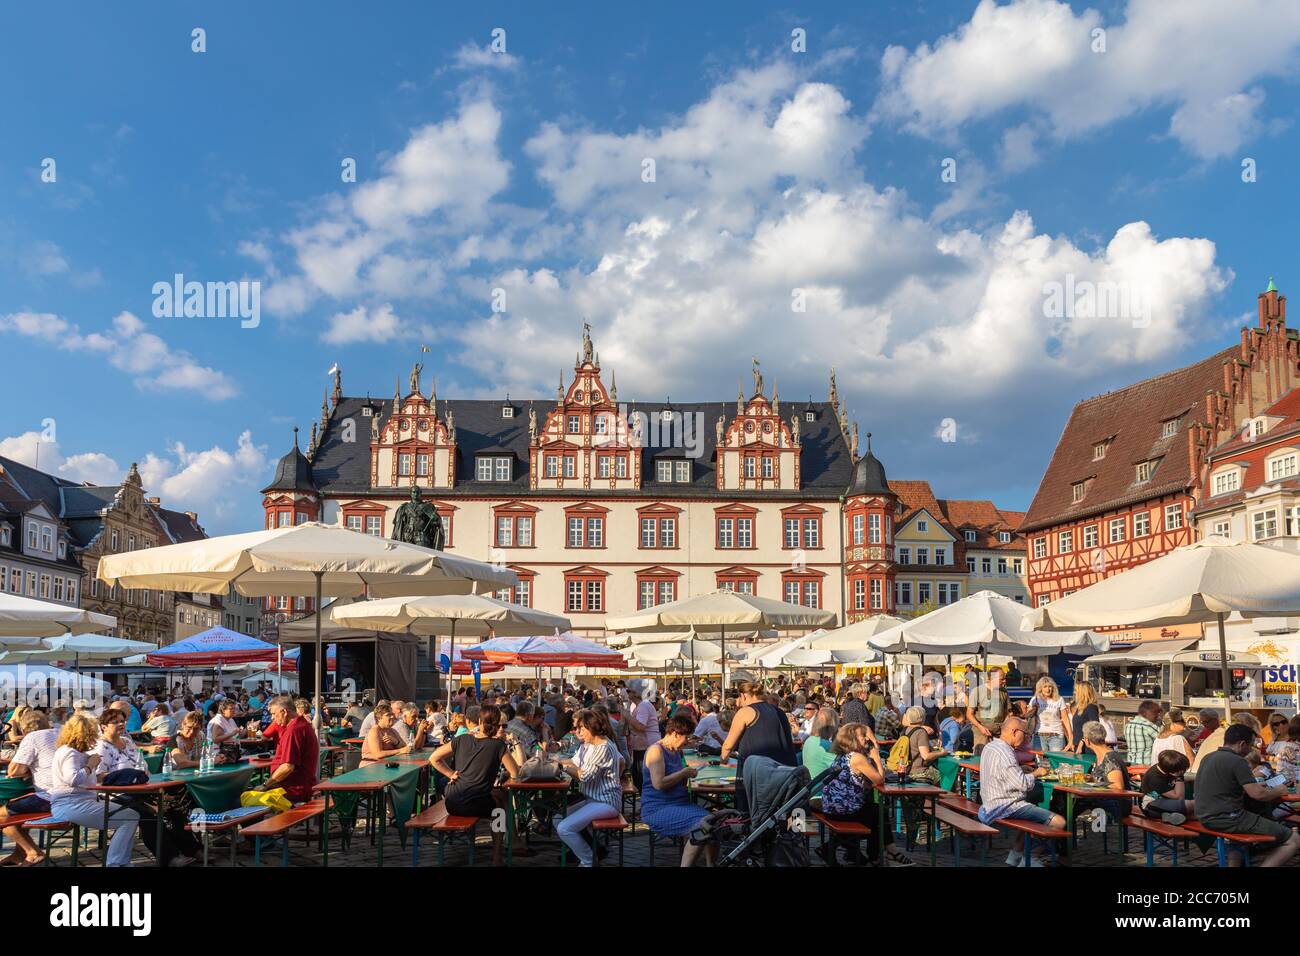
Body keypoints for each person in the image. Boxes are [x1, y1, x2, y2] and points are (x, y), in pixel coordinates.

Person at [95, 707, 199, 867]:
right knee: (147, 813)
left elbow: (142, 766)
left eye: (122, 721)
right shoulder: (101, 747)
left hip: (142, 788)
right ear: (103, 726)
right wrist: (126, 778)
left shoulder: (128, 742)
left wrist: (155, 787)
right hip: (116, 793)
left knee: (176, 804)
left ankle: (190, 849)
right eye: (115, 722)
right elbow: (100, 777)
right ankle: (169, 858)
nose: (120, 724)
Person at [1193, 723, 1300, 867]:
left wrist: (1255, 786)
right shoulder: (1237, 761)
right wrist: (1279, 791)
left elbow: (1225, 787)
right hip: (1229, 818)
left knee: (1242, 829)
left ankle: (1237, 862)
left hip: (1204, 816)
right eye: (1250, 745)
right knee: (1293, 839)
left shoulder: (1209, 757)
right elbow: (1258, 795)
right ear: (1242, 744)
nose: (1250, 749)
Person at [430, 703, 518, 866]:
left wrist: (450, 773)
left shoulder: (462, 739)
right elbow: (515, 773)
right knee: (499, 809)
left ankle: (510, 844)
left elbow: (434, 758)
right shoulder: (498, 745)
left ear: (479, 721)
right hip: (474, 803)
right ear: (498, 724)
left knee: (497, 796)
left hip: (452, 801)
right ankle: (497, 855)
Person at [50, 714, 140, 866]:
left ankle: (121, 862)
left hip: (78, 802)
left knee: (131, 815)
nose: (95, 738)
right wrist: (90, 765)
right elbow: (72, 779)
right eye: (92, 734)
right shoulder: (69, 752)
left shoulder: (74, 752)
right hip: (71, 804)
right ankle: (115, 862)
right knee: (129, 817)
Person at [818, 722, 911, 865]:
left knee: (875, 811)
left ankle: (878, 855)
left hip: (831, 806)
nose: (866, 739)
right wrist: (876, 757)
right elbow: (880, 780)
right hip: (842, 810)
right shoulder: (857, 758)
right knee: (879, 814)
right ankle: (884, 854)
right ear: (853, 738)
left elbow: (858, 780)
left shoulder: (843, 755)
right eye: (863, 736)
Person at [977, 716, 1063, 866]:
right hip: (1004, 806)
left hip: (989, 803)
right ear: (1015, 732)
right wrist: (1037, 773)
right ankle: (1031, 858)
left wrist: (1023, 772)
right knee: (1058, 822)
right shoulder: (1006, 752)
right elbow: (1021, 784)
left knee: (1030, 815)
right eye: (1025, 733)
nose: (1025, 738)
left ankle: (1015, 855)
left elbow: (1007, 777)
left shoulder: (990, 746)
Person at [640, 713, 715, 866]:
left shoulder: (676, 751)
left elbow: (677, 779)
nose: (687, 742)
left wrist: (688, 775)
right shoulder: (656, 751)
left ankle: (711, 864)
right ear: (674, 733)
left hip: (679, 804)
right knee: (701, 827)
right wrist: (683, 773)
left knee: (714, 823)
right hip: (658, 808)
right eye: (686, 737)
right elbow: (658, 784)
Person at [555, 708, 623, 867]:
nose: (578, 732)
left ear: (592, 728)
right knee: (558, 818)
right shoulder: (593, 744)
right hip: (593, 800)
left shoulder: (603, 747)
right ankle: (590, 852)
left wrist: (561, 767)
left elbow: (584, 776)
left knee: (565, 828)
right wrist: (556, 762)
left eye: (582, 728)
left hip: (606, 803)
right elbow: (576, 764)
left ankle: (588, 861)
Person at [720, 680, 797, 812]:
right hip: (784, 772)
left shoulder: (745, 712)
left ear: (744, 695)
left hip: (758, 775)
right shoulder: (778, 711)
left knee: (752, 812)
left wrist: (723, 760)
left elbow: (728, 745)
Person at [0, 710, 58, 866]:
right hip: (72, 795)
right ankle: (19, 854)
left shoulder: (32, 737)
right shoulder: (59, 732)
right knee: (15, 807)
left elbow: (14, 771)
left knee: (2, 815)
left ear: (24, 730)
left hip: (50, 797)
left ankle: (33, 852)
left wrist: (26, 768)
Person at [1056, 720, 1134, 831]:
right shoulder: (1101, 755)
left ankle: (1061, 838)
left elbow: (1117, 787)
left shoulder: (1110, 758)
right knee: (1063, 800)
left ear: (1087, 741)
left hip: (1118, 804)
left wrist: (1095, 783)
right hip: (1106, 800)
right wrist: (1092, 779)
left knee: (1068, 805)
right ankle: (1062, 836)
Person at [253, 695, 320, 805]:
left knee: (249, 799)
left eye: (274, 714)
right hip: (298, 785)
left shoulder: (294, 730)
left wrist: (265, 785)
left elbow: (287, 767)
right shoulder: (301, 724)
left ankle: (270, 822)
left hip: (293, 788)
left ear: (284, 712)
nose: (272, 718)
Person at [625, 678, 661, 790]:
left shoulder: (643, 705)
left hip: (646, 747)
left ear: (635, 693)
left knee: (642, 778)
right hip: (642, 746)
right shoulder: (640, 705)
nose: (627, 693)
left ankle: (647, 803)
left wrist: (626, 715)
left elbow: (641, 726)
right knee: (638, 776)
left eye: (628, 691)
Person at [1139, 750, 1193, 823]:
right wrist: (1180, 777)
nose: (1184, 772)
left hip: (1163, 803)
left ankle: (1168, 816)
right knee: (1193, 805)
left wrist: (1197, 777)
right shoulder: (1155, 778)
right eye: (1182, 770)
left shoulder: (1164, 767)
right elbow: (1179, 797)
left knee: (1195, 813)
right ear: (1172, 771)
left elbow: (1175, 780)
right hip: (1150, 806)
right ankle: (1168, 815)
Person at [1026, 676, 1072, 752]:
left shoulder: (1059, 699)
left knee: (1055, 761)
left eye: (1050, 687)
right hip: (1039, 736)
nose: (1048, 689)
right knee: (1040, 762)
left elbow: (1065, 719)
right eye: (1045, 687)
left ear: (1053, 688)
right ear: (1040, 688)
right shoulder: (1035, 699)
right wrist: (1033, 708)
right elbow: (1028, 716)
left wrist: (1070, 737)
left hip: (1056, 736)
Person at [966, 668, 1009, 747]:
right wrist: (980, 727)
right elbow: (969, 714)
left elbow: (1007, 713)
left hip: (999, 735)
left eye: (1005, 678)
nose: (1004, 681)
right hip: (981, 734)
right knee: (981, 757)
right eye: (1002, 679)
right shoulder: (977, 691)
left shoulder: (1004, 692)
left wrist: (1004, 727)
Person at [900, 706, 943, 784]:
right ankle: (935, 795)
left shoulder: (905, 730)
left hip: (905, 769)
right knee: (942, 775)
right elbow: (925, 756)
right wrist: (942, 753)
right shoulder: (921, 732)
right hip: (918, 771)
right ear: (922, 718)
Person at [801, 707, 839, 777]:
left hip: (809, 783)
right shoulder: (825, 745)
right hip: (821, 785)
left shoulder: (809, 739)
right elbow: (842, 767)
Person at [1123, 700, 1162, 766]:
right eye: (1155, 712)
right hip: (1146, 764)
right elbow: (1165, 739)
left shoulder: (1128, 725)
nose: (1157, 715)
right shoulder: (1148, 725)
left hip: (1131, 762)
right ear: (1145, 712)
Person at [1069, 680, 1100, 754]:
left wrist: (1082, 742)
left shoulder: (1091, 707)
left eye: (1076, 690)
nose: (1074, 693)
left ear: (1083, 692)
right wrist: (1073, 742)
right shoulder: (1080, 708)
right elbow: (1077, 728)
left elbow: (1094, 727)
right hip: (1078, 746)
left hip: (1087, 747)